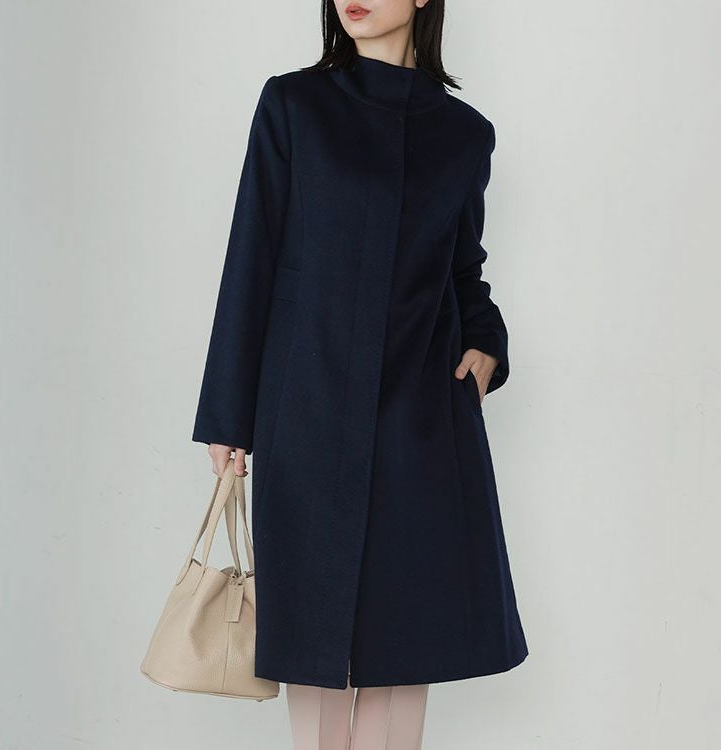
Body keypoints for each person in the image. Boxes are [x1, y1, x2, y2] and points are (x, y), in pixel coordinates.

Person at [192, 0, 528, 746]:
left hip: (422, 418)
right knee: (312, 641)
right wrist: (228, 414)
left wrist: (485, 345)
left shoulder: (464, 134)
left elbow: (463, 269)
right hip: (306, 410)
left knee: (405, 641)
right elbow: (252, 254)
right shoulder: (294, 105)